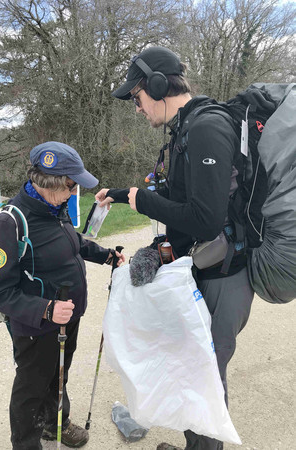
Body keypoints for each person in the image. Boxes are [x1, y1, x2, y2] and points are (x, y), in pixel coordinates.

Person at [96, 47, 254, 450]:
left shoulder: (206, 128)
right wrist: (122, 194)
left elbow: (203, 217)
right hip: (204, 267)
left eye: (136, 97)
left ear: (159, 86)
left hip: (224, 275)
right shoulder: (185, 129)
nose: (136, 107)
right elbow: (180, 194)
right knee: (191, 370)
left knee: (204, 378)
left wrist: (143, 200)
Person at [0, 141, 124, 450]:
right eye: (71, 186)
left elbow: (71, 242)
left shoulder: (54, 208)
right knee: (31, 388)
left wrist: (105, 256)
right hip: (37, 326)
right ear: (51, 184)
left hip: (67, 316)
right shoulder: (9, 222)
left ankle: (54, 425)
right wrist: (46, 309)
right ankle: (26, 443)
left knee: (59, 376)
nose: (74, 192)